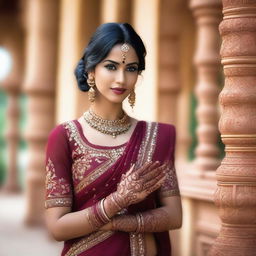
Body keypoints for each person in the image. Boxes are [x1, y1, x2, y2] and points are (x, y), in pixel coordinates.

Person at [44, 22, 182, 256]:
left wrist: (118, 222)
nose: (121, 79)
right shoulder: (65, 137)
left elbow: (173, 216)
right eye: (111, 66)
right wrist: (117, 201)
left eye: (131, 68)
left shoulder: (158, 137)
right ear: (91, 70)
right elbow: (57, 227)